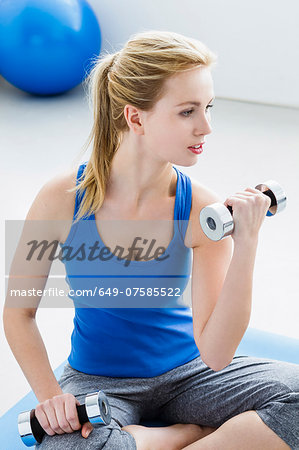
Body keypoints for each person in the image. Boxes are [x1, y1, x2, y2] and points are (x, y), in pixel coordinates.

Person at [3, 30, 299, 450]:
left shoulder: (202, 209)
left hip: (190, 374)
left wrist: (247, 244)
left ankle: (152, 441)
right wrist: (52, 399)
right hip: (98, 384)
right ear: (136, 117)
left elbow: (216, 355)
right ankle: (186, 435)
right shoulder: (60, 199)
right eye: (187, 111)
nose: (206, 126)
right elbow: (18, 314)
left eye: (208, 107)